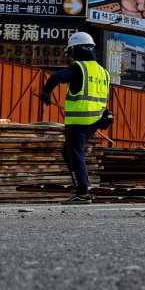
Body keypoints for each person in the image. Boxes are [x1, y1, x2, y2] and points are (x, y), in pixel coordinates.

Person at [38, 32, 111, 205]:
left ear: (77, 50)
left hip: (79, 120)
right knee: (68, 151)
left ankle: (82, 193)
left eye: (71, 53)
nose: (71, 57)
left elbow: (56, 77)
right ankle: (78, 186)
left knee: (75, 153)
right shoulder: (103, 72)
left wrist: (45, 93)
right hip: (96, 120)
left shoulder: (79, 67)